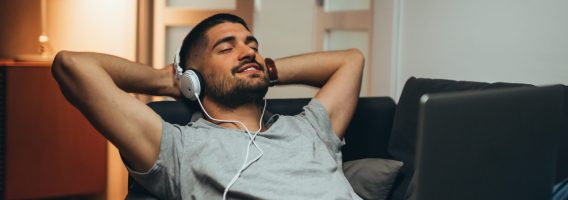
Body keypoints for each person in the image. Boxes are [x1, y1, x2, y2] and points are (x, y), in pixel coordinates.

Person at [52, 13, 364, 199]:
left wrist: (262, 69)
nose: (247, 52)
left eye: (252, 46)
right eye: (227, 48)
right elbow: (71, 65)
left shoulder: (309, 127)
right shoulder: (177, 147)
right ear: (192, 80)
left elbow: (351, 60)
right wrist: (165, 81)